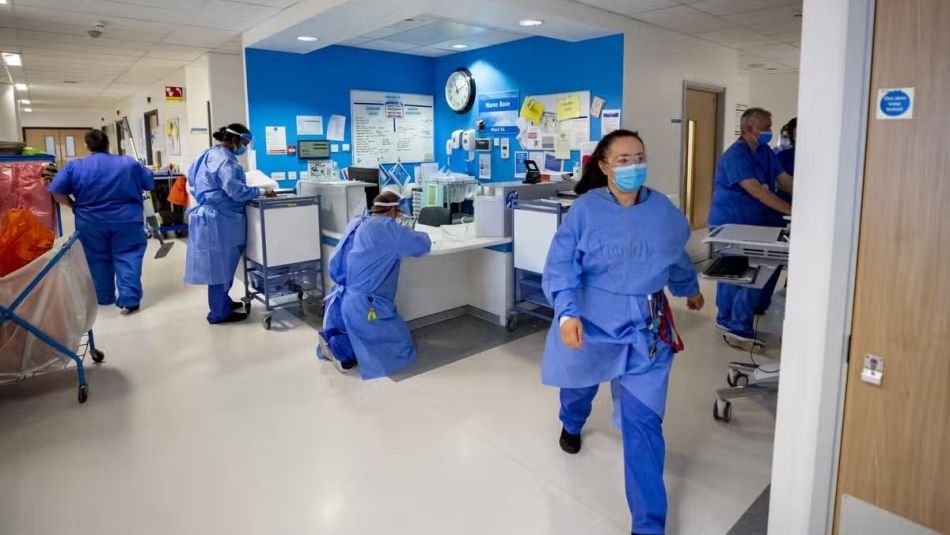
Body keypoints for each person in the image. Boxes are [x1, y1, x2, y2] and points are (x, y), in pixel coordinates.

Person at [541, 129, 704, 535]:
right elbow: (562, 263)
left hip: (646, 328)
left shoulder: (663, 212)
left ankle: (648, 525)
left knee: (644, 422)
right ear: (604, 166)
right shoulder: (585, 210)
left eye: (640, 157)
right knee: (579, 387)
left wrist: (690, 289)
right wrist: (566, 313)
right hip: (592, 320)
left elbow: (675, 256)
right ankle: (572, 422)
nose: (634, 166)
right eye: (624, 159)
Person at [317, 191, 431, 379]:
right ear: (394, 210)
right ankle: (340, 350)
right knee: (401, 347)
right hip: (367, 304)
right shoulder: (388, 230)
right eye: (399, 212)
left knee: (356, 333)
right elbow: (422, 244)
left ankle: (337, 342)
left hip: (342, 299)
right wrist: (404, 229)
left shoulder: (358, 222)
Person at [708, 107, 793, 350]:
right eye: (766, 127)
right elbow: (756, 190)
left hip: (753, 223)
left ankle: (730, 321)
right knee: (737, 273)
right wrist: (792, 210)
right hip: (730, 222)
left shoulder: (765, 151)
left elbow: (783, 180)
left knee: (750, 270)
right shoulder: (735, 156)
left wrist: (807, 199)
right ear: (750, 128)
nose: (770, 131)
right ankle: (734, 325)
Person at [48, 129, 153, 312]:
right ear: (108, 144)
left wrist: (73, 205)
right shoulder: (128, 163)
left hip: (90, 221)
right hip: (127, 220)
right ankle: (129, 299)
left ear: (87, 146)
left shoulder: (75, 166)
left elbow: (57, 193)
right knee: (129, 255)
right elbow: (149, 183)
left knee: (97, 258)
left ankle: (104, 297)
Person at [184, 123, 274, 324]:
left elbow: (192, 179)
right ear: (234, 140)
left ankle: (222, 302)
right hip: (221, 221)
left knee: (219, 266)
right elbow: (235, 191)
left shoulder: (208, 154)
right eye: (244, 142)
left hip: (213, 216)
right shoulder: (227, 162)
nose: (245, 147)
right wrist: (261, 191)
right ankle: (219, 312)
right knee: (221, 268)